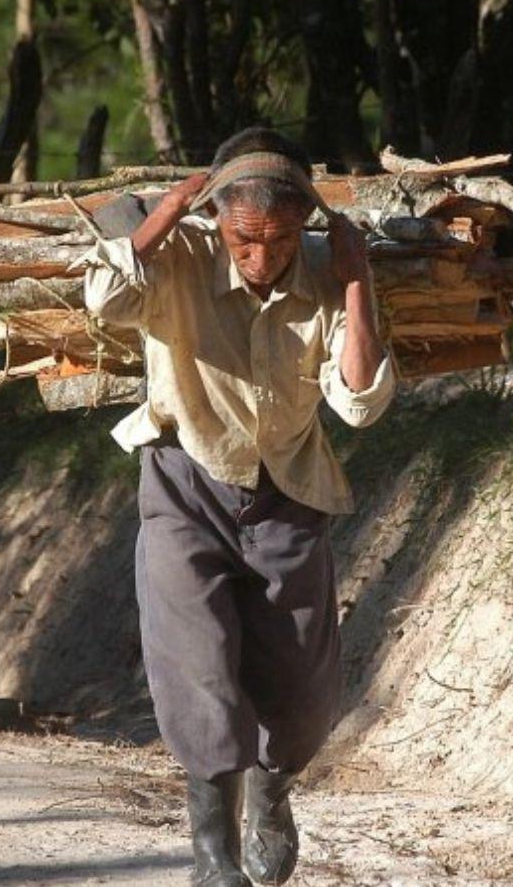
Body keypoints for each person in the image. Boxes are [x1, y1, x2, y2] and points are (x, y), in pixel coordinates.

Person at [82, 127, 395, 886]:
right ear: (216, 224)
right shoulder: (179, 256)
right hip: (185, 482)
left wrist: (355, 282)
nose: (260, 258)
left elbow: (357, 404)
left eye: (280, 239)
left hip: (289, 492)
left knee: (303, 690)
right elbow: (104, 299)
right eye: (242, 239)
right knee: (198, 666)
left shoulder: (326, 273)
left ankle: (271, 794)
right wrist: (170, 211)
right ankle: (211, 851)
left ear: (304, 228)